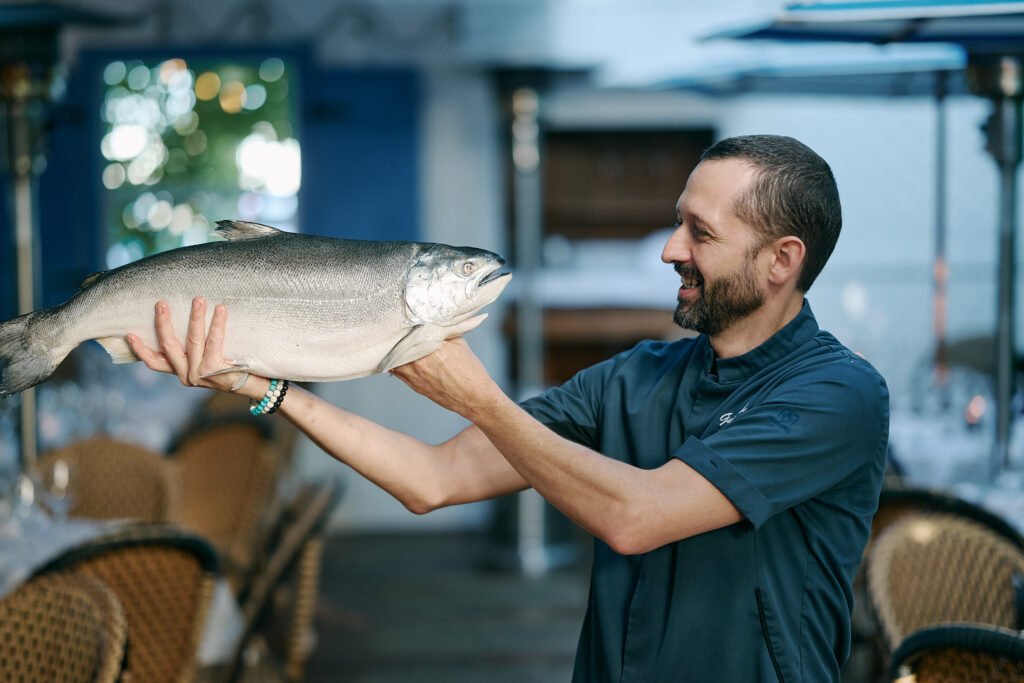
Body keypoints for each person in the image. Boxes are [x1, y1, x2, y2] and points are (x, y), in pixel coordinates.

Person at [126, 134, 889, 682]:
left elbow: (638, 516)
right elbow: (431, 479)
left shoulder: (837, 395)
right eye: (677, 221)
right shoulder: (638, 375)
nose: (669, 249)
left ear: (782, 260)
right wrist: (265, 387)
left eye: (700, 231)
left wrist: (481, 399)